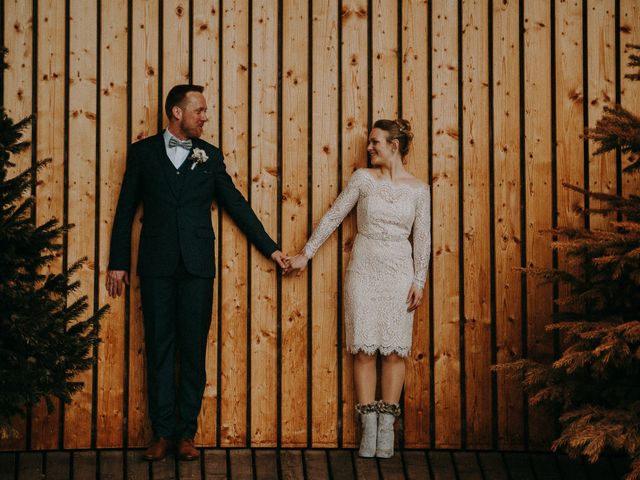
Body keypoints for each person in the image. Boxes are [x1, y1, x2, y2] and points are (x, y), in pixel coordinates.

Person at [106, 84, 289, 462]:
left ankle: (186, 434)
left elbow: (236, 205)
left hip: (197, 267)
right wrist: (118, 263)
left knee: (192, 350)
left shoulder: (210, 156)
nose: (205, 117)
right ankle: (161, 433)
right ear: (177, 112)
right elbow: (126, 210)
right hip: (155, 266)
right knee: (158, 348)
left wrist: (271, 248)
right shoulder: (142, 154)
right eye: (200, 110)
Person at [286, 119, 430, 458]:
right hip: (363, 270)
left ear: (394, 146)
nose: (369, 148)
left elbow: (421, 238)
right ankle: (368, 428)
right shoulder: (363, 180)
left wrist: (419, 279)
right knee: (364, 349)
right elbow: (334, 215)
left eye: (375, 142)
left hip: (399, 273)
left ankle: (387, 430)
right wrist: (306, 253)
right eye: (369, 142)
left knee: (395, 351)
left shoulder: (419, 190)